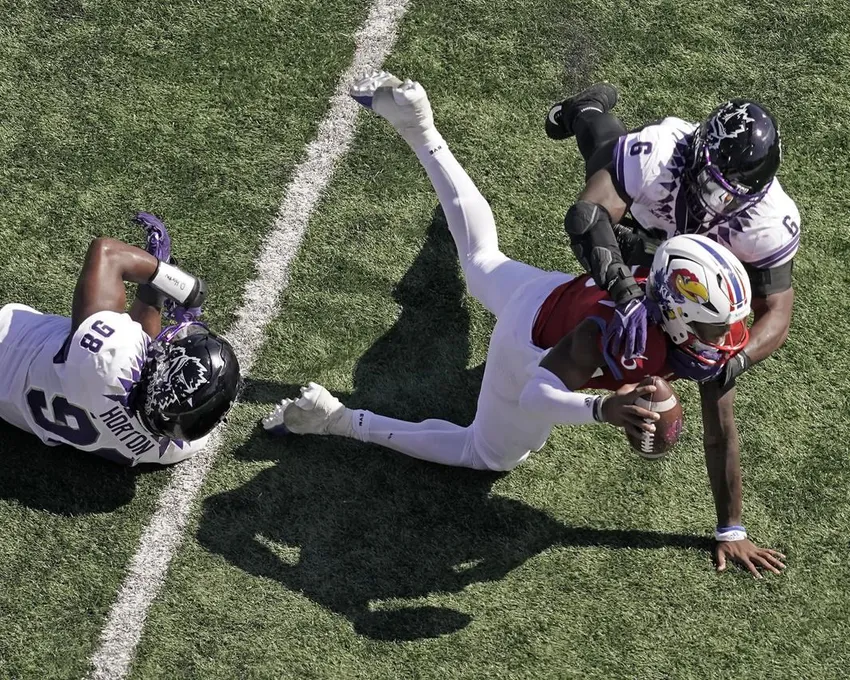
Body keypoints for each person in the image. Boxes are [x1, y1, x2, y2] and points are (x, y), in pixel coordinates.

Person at [262, 72, 785, 578]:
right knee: (484, 454)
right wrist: (602, 408)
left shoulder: (687, 309)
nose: (728, 339)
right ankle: (339, 419)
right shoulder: (621, 337)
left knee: (480, 261)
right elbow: (538, 391)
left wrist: (730, 528)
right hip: (527, 345)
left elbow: (724, 420)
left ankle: (419, 127)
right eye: (718, 329)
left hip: (548, 293)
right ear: (675, 315)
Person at [545, 84, 798, 389]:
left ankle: (643, 248)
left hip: (683, 243)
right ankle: (586, 110)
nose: (720, 203)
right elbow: (587, 216)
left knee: (701, 279)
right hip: (653, 208)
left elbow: (776, 312)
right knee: (605, 152)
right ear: (697, 154)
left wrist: (731, 364)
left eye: (735, 198)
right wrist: (625, 294)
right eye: (714, 186)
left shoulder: (769, 222)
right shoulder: (660, 153)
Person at [0, 212, 241, 466]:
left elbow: (106, 253)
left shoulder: (102, 359)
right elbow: (138, 361)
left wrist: (173, 281)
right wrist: (153, 294)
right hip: (13, 409)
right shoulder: (175, 447)